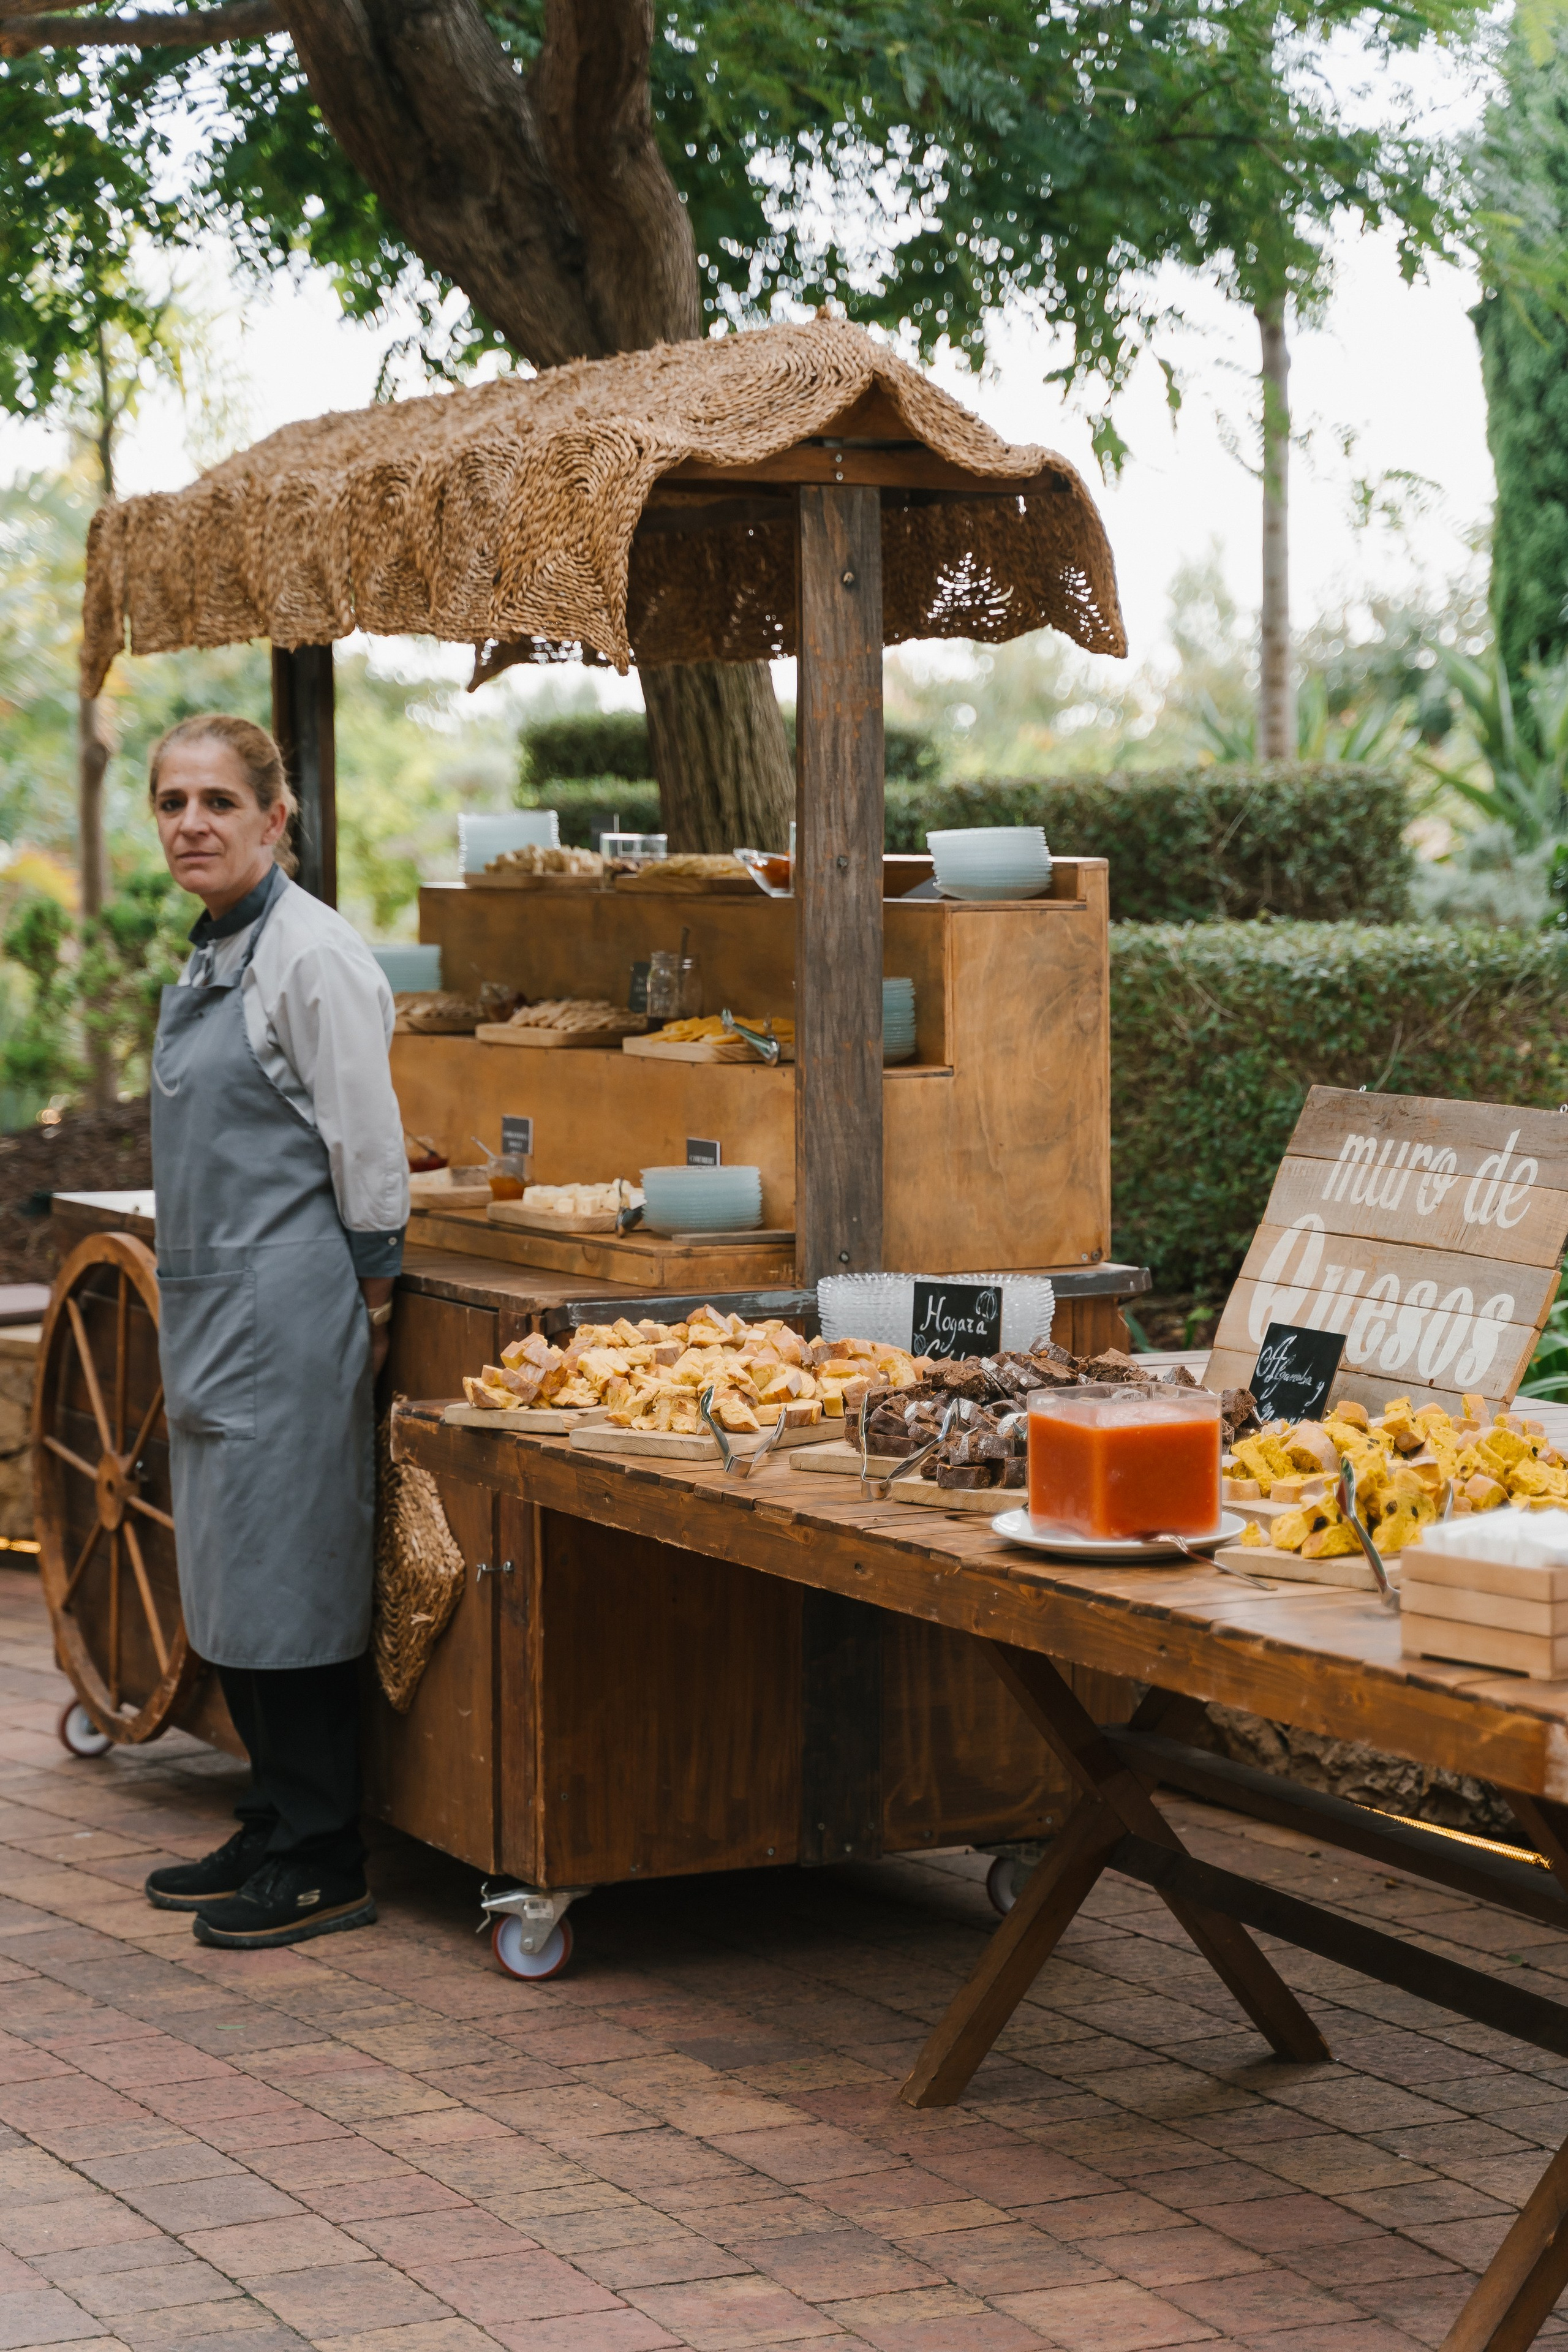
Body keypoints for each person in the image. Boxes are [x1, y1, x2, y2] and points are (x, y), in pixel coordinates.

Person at [138, 714, 409, 1949]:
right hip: (211, 1305)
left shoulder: (311, 957)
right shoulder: (210, 955)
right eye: (173, 802)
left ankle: (321, 1852)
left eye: (217, 802)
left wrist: (373, 1291)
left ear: (273, 816)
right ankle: (271, 1809)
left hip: (291, 1305)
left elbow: (366, 1141)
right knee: (234, 1570)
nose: (192, 823)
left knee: (293, 1571)